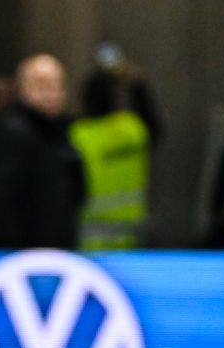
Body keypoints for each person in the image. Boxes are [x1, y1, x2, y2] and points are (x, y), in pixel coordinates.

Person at [0, 53, 85, 250]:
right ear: (22, 88)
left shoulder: (64, 133)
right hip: (20, 255)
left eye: (58, 84)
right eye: (42, 84)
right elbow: (2, 200)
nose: (52, 92)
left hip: (59, 249)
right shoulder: (12, 132)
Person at [69, 45, 163, 249]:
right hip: (134, 234)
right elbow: (154, 126)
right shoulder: (132, 128)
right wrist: (138, 85)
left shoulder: (77, 135)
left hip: (91, 238)